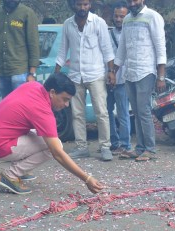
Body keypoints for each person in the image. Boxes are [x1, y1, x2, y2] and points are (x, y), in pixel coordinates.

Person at [0, 73, 104, 195]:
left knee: (44, 136)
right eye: (65, 99)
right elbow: (58, 154)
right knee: (54, 146)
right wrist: (86, 179)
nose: (66, 105)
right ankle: (10, 175)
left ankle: (22, 167)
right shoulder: (42, 110)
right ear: (52, 92)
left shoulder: (33, 86)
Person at [55, 0, 115, 162]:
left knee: (101, 112)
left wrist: (111, 71)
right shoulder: (68, 24)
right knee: (77, 113)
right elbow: (62, 50)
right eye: (79, 4)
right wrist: (56, 74)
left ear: (90, 5)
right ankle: (81, 147)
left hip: (96, 74)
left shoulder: (98, 22)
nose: (82, 8)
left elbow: (107, 49)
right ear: (73, 5)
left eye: (86, 4)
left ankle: (105, 147)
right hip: (75, 75)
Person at [114, 0, 167, 162]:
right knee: (136, 112)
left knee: (143, 110)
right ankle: (140, 148)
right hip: (129, 71)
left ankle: (150, 149)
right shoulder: (127, 19)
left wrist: (161, 76)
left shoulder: (153, 16)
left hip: (146, 71)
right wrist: (113, 71)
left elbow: (160, 47)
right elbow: (122, 47)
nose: (132, 3)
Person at [0, 0, 40, 98]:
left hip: (20, 71)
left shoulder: (27, 13)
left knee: (20, 106)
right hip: (1, 71)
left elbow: (33, 45)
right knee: (6, 106)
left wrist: (32, 74)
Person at [107, 2, 131, 154]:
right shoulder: (108, 34)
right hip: (109, 78)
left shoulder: (129, 33)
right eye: (116, 16)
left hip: (123, 79)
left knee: (123, 113)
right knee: (107, 112)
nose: (118, 19)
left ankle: (125, 144)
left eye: (121, 16)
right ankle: (113, 142)